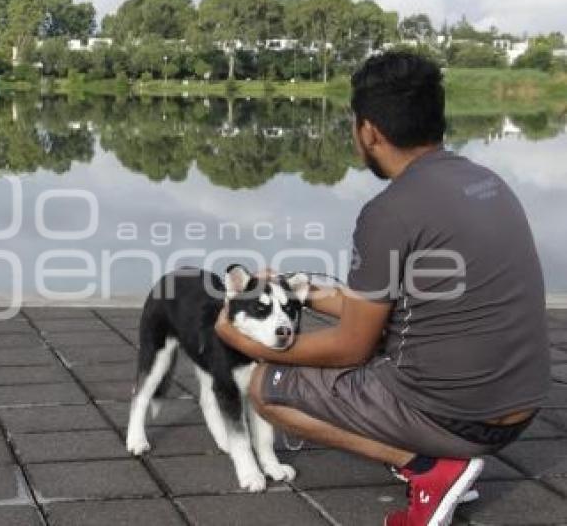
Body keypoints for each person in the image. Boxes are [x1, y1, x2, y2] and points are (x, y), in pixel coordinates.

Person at [215, 52, 550, 526]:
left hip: (460, 417)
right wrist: (302, 290)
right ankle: (439, 459)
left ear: (368, 131)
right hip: (521, 407)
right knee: (385, 340)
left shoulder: (390, 211)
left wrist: (244, 340)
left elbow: (350, 346)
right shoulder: (486, 181)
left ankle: (430, 468)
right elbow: (383, 304)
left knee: (267, 388)